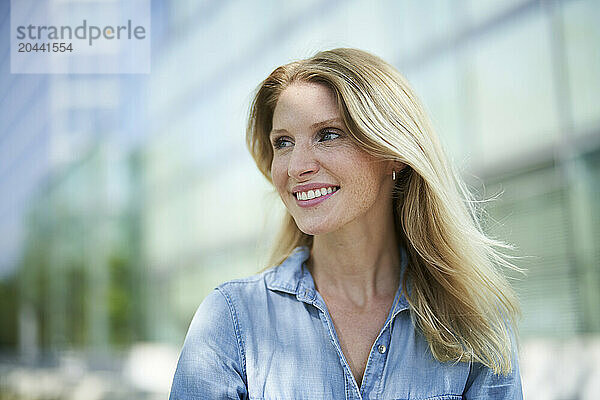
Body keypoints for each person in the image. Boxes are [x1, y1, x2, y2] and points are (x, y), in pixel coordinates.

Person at [169, 48, 523, 399]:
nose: (296, 167)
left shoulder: (473, 320)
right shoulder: (231, 320)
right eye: (283, 143)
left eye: (327, 134)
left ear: (392, 153)